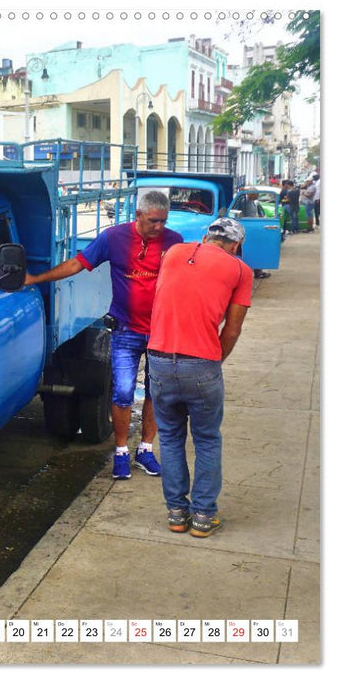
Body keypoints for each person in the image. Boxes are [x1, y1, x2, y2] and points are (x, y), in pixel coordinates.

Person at [25, 190, 183, 480]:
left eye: (163, 221)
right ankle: (121, 452)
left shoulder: (174, 242)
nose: (158, 227)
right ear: (138, 216)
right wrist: (36, 278)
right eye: (152, 221)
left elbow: (187, 282)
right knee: (123, 392)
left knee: (157, 393)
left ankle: (146, 450)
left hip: (161, 332)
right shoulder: (113, 238)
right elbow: (77, 264)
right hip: (125, 330)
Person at [147, 217, 252, 537]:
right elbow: (232, 329)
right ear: (236, 245)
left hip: (160, 360)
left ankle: (177, 513)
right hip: (202, 364)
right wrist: (214, 359)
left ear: (207, 236)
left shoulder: (174, 253)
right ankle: (204, 516)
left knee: (170, 437)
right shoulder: (239, 270)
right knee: (206, 439)